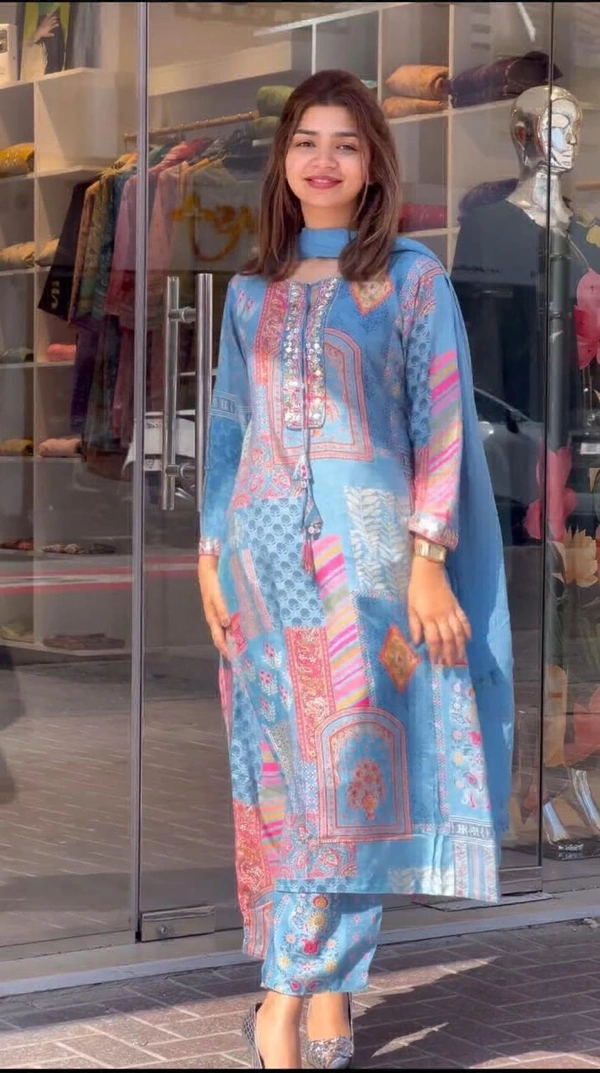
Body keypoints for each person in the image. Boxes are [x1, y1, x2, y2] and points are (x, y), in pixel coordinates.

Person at [198, 68, 514, 1070]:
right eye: (306, 142)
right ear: (284, 162)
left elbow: (441, 426)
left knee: (351, 783)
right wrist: (208, 550)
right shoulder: (250, 293)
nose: (323, 159)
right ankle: (331, 988)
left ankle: (282, 997)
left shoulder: (409, 281)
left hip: (368, 570)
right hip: (260, 571)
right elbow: (229, 430)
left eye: (344, 142)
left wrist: (428, 561)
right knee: (283, 788)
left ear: (374, 163)